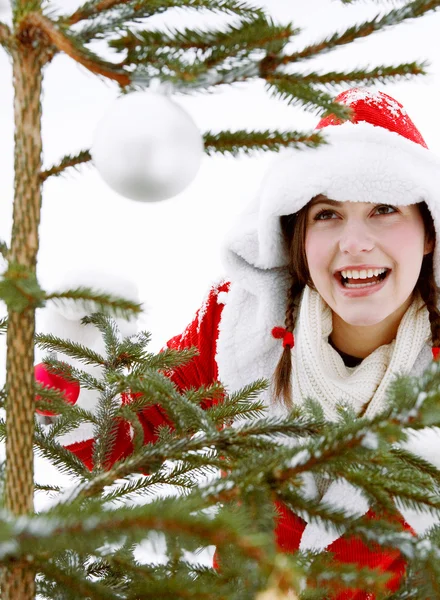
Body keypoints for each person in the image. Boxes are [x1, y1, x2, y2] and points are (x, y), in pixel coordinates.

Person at [35, 88, 440, 599]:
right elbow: (103, 445)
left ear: (429, 231)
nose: (354, 242)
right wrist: (76, 354)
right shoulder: (238, 327)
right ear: (297, 235)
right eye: (327, 214)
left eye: (384, 209)